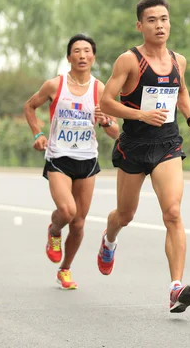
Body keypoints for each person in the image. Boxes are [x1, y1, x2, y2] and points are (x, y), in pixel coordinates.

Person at [97, 0, 190, 313]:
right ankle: (109, 239)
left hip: (168, 144)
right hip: (134, 145)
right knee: (125, 215)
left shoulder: (178, 61)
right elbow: (107, 102)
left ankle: (175, 287)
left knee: (172, 212)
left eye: (164, 19)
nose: (159, 25)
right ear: (140, 26)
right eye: (152, 20)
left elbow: (181, 91)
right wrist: (140, 116)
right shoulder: (129, 61)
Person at [23, 34, 120, 289]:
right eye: (76, 51)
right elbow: (29, 107)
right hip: (58, 157)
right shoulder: (55, 85)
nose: (82, 55)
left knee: (78, 223)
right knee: (67, 211)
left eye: (87, 51)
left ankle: (65, 269)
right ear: (69, 57)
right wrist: (38, 133)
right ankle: (54, 231)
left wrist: (106, 121)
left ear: (93, 57)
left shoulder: (100, 89)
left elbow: (115, 130)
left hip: (87, 160)